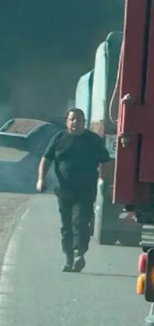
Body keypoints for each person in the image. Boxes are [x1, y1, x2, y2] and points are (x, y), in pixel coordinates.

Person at [37, 108, 112, 272]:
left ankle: (79, 253)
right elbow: (46, 159)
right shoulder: (59, 138)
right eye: (72, 119)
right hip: (64, 189)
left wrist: (104, 178)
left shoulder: (93, 140)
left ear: (83, 122)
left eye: (78, 119)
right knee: (66, 225)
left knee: (80, 221)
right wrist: (41, 179)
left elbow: (106, 161)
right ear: (67, 122)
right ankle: (68, 257)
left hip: (86, 189)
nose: (75, 122)